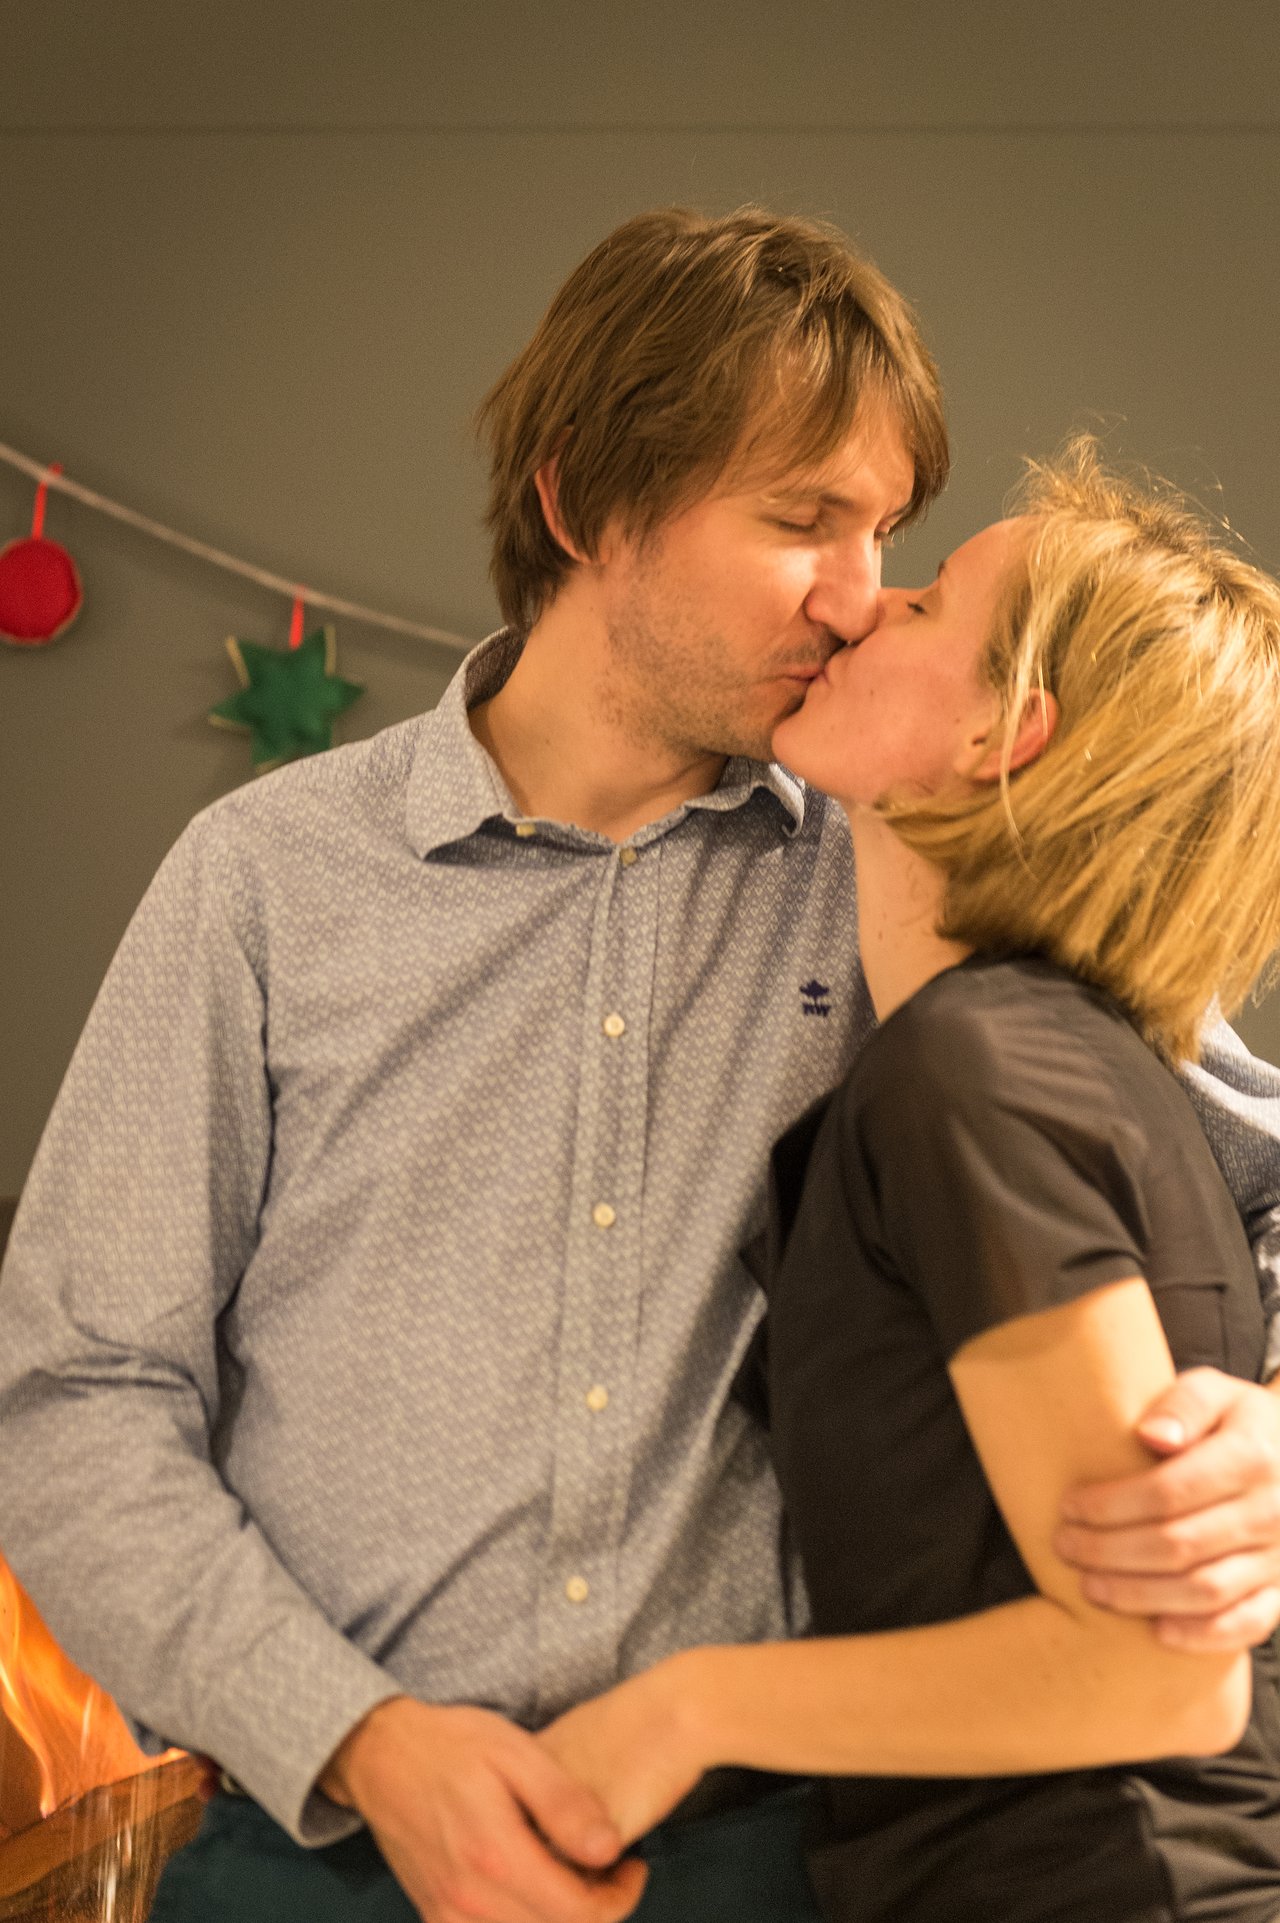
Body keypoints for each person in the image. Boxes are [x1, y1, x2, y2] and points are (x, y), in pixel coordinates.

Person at [2, 210, 1280, 1923]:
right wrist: (364, 1742)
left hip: (782, 1862)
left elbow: (1228, 1188)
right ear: (583, 504)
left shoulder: (920, 862)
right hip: (322, 1850)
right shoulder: (265, 879)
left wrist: (1264, 1441)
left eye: (885, 530)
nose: (854, 591)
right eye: (800, 519)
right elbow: (77, 1399)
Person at [537, 445, 1280, 1921]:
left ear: (1010, 732)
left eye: (928, 602)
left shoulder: (980, 1069)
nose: (867, 605)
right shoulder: (1035, 1059)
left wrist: (682, 1711)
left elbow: (1157, 1678)